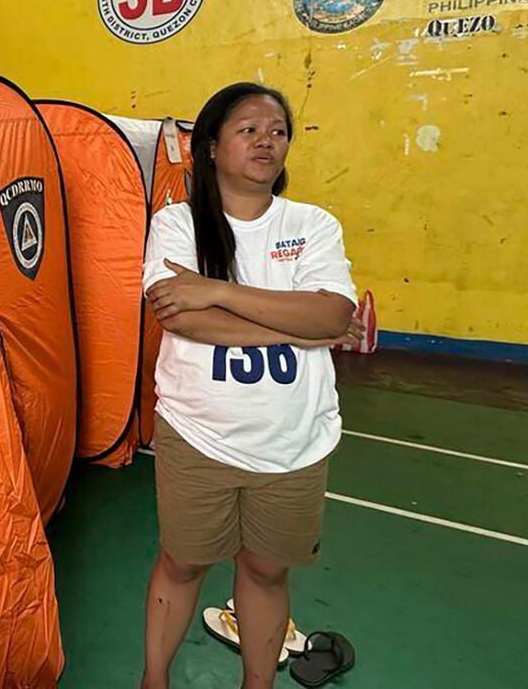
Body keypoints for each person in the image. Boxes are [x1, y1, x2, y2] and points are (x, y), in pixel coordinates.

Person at [139, 83, 361, 689]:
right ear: (211, 146)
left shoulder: (312, 224)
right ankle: (153, 680)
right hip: (198, 433)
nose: (267, 141)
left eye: (279, 131)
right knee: (183, 564)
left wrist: (218, 290)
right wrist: (301, 328)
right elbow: (180, 316)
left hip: (293, 440)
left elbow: (332, 314)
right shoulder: (177, 224)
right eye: (249, 129)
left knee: (266, 571)